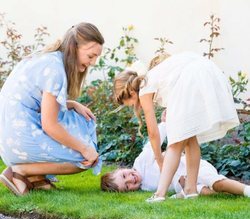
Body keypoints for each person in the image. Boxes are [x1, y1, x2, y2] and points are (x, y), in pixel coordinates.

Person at [113, 51, 240, 202]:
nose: (136, 106)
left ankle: (159, 194)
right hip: (203, 71)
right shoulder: (152, 78)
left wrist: (160, 160)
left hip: (191, 78)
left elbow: (153, 133)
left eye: (132, 104)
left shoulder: (144, 89)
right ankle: (191, 189)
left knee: (176, 141)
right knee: (189, 136)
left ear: (132, 93)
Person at [0, 22, 104, 196]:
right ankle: (19, 172)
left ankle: (35, 178)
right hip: (17, 138)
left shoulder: (49, 58)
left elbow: (37, 103)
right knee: (84, 159)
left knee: (71, 117)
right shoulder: (55, 70)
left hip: (9, 134)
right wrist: (85, 149)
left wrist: (73, 104)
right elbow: (49, 125)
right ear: (74, 48)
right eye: (91, 56)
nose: (93, 62)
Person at [101, 121, 250, 198]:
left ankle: (246, 190)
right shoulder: (145, 188)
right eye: (127, 186)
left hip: (193, 167)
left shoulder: (141, 163)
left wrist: (165, 124)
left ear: (121, 169)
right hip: (187, 186)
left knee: (217, 184)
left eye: (124, 175)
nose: (130, 180)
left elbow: (154, 143)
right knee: (204, 192)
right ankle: (230, 196)